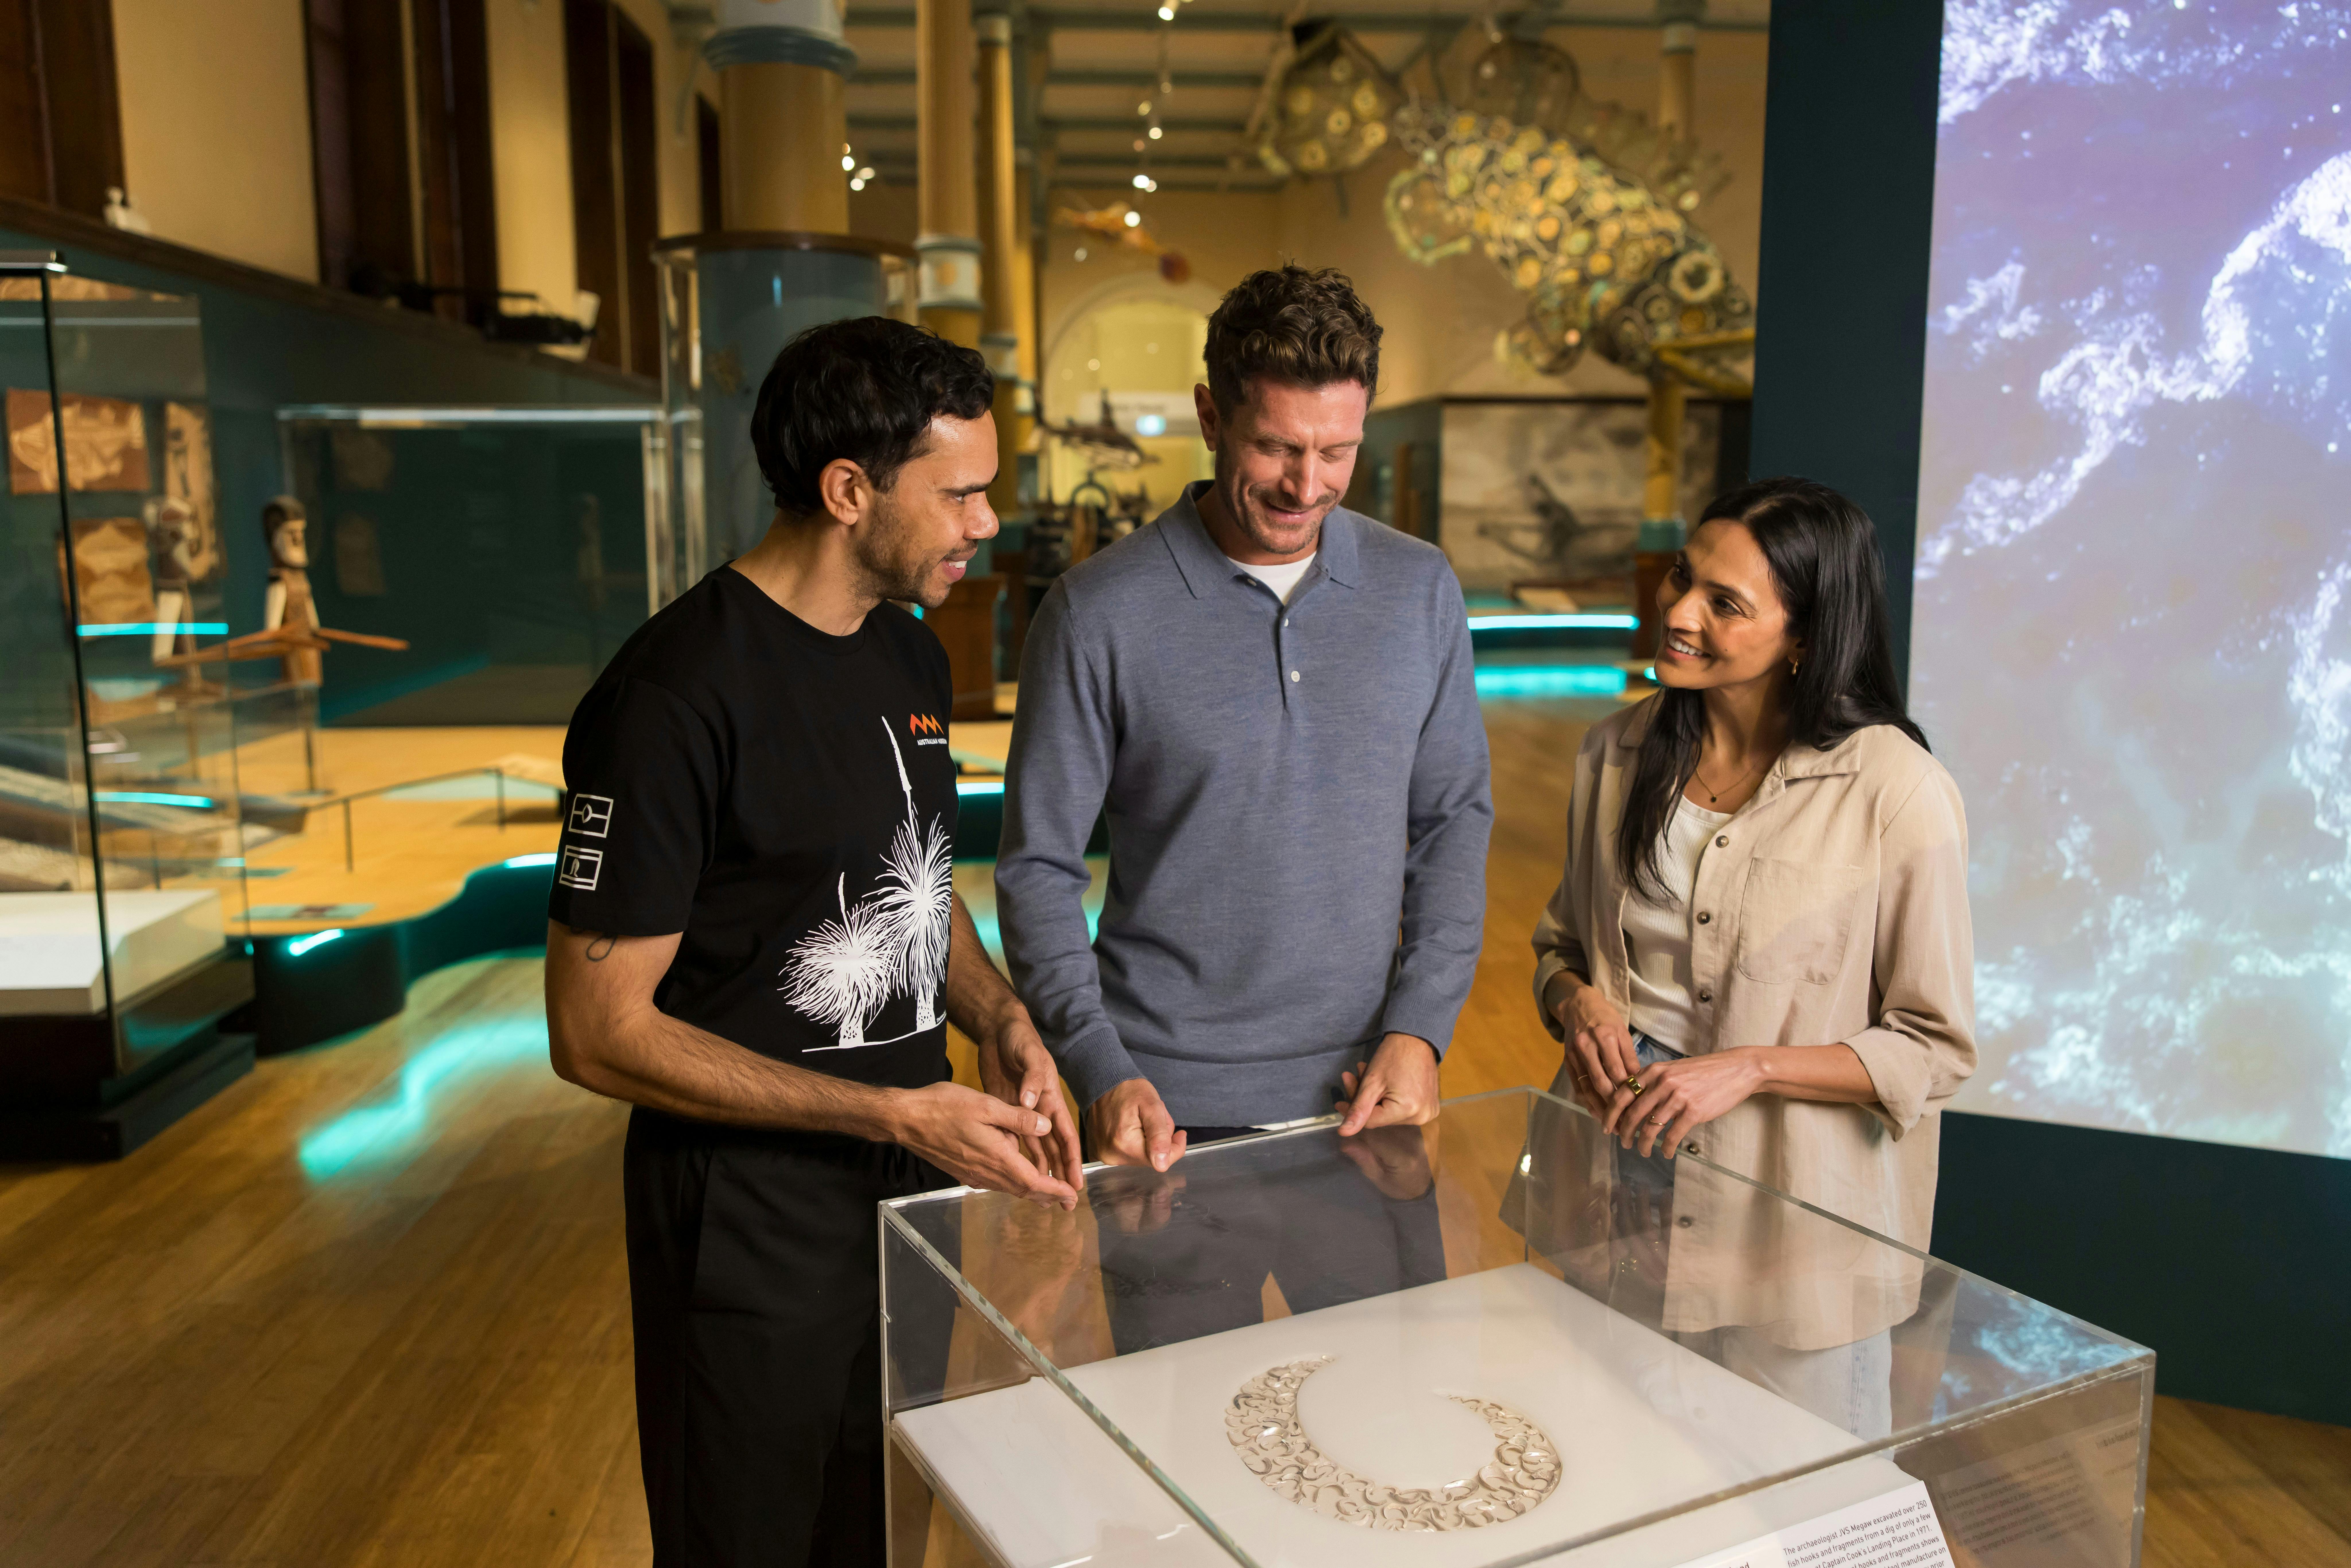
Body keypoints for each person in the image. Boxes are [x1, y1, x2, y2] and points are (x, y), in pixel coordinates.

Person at [543, 316, 1083, 1568]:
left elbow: (912, 886)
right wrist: (896, 1114)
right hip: (745, 1222)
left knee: (876, 1530)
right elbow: (594, 1033)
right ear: (848, 490)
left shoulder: (906, 650)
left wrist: (1000, 1022)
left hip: (902, 1201)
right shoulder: (668, 698)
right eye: (958, 492)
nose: (986, 521)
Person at [996, 264, 1491, 1344]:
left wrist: (1424, 1028)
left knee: (1384, 1435)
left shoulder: (1419, 590)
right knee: (1187, 1446)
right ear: (1212, 416)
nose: (1306, 483)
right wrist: (1099, 1065)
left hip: (1368, 1097)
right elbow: (1035, 868)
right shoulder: (1096, 613)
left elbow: (1453, 820)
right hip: (1166, 1118)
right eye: (1276, 446)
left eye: (1337, 452)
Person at [1530, 475, 1975, 1435]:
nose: (1679, 612)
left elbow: (1933, 1047)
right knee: (1620, 1485)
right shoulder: (1611, 753)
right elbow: (1560, 947)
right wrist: (1578, 1005)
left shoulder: (1897, 790)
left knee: (1800, 1514)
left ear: (1806, 638)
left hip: (1794, 1235)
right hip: (1617, 1197)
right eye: (1684, 579)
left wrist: (1750, 1068)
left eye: (1724, 604)